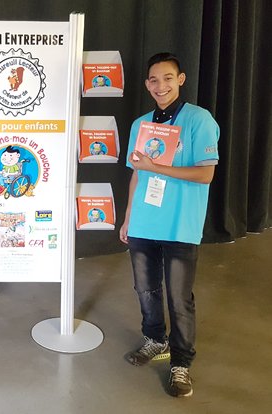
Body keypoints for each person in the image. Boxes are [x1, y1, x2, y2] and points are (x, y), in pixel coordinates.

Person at [119, 52, 220, 398]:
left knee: (179, 298)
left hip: (180, 224)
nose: (160, 85)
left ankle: (181, 363)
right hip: (145, 222)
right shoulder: (141, 125)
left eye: (167, 78)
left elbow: (205, 174)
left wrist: (155, 168)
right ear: (147, 84)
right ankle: (154, 339)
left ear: (181, 79)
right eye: (153, 80)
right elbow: (136, 174)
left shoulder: (198, 120)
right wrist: (129, 215)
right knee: (145, 290)